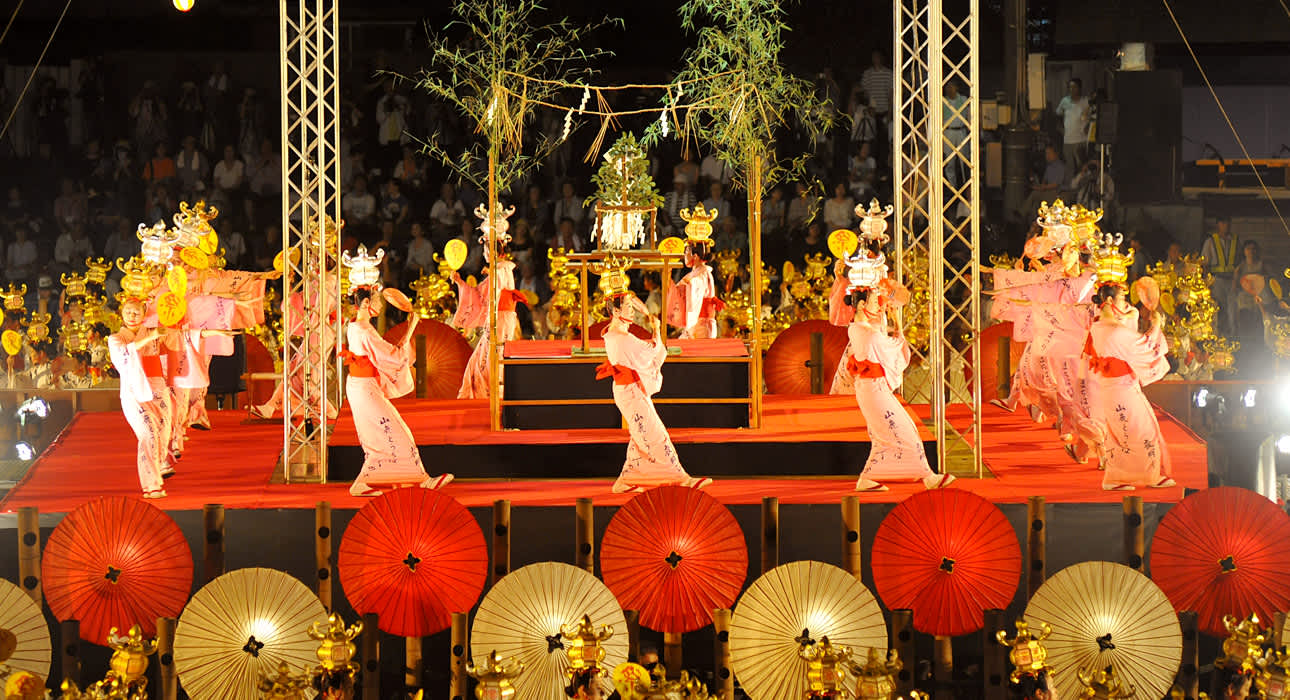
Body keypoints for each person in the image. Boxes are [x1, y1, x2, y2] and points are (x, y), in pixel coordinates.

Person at [341, 245, 453, 496]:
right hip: (364, 388)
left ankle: (369, 482)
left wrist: (409, 328)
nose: (380, 305)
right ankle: (416, 479)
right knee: (394, 430)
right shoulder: (363, 329)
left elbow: (385, 353)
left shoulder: (356, 326)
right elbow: (392, 356)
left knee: (379, 434)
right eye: (378, 300)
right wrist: (410, 327)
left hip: (362, 386)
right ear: (367, 302)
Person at [842, 250, 952, 492]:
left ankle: (873, 477)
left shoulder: (861, 327)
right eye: (872, 301)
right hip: (873, 389)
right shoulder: (864, 331)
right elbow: (889, 348)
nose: (876, 305)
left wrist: (887, 310)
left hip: (872, 388)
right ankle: (926, 476)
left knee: (888, 435)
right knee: (901, 430)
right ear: (861, 304)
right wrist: (898, 329)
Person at [596, 264, 711, 494]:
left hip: (629, 389)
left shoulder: (614, 333)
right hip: (629, 391)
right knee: (656, 434)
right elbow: (650, 353)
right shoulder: (621, 338)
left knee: (640, 435)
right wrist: (656, 331)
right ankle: (682, 479)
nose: (632, 310)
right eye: (627, 307)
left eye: (631, 305)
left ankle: (625, 480)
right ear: (616, 311)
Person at [1086, 242, 1174, 491]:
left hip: (1116, 385)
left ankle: (1119, 477)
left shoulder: (1099, 324)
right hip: (1120, 386)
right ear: (1111, 300)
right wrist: (1156, 325)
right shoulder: (1113, 332)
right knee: (1139, 429)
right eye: (1123, 298)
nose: (1127, 303)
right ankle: (1143, 476)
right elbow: (1143, 346)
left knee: (1122, 432)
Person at [453, 206, 525, 399]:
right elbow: (481, 294)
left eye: (485, 248)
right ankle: (489, 394)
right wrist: (460, 282)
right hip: (501, 317)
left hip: (499, 318)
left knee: (489, 358)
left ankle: (491, 395)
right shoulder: (501, 269)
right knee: (484, 358)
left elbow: (482, 296)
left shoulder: (501, 270)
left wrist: (462, 283)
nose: (484, 253)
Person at [108, 298, 171, 499]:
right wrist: (150, 336)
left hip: (158, 389)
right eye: (128, 312)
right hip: (134, 394)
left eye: (136, 312)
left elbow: (176, 340)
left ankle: (158, 467)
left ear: (144, 314)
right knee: (148, 435)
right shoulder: (116, 339)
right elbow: (127, 353)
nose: (132, 316)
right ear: (121, 314)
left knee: (163, 434)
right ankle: (151, 485)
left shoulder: (154, 332)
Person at [667, 204, 722, 339]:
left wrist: (689, 326)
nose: (684, 255)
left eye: (687, 251)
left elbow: (693, 298)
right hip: (698, 323)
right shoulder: (697, 273)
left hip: (701, 325)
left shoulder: (701, 275)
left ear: (695, 256)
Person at [1055, 78, 1090, 176]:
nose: (1071, 89)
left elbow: (1092, 118)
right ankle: (1071, 188)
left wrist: (1087, 127)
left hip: (1081, 140)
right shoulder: (1065, 101)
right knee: (1069, 167)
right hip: (1068, 141)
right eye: (1070, 87)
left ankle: (1081, 189)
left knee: (1081, 167)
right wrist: (1061, 129)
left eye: (1074, 87)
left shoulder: (1086, 102)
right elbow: (1058, 115)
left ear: (1080, 88)